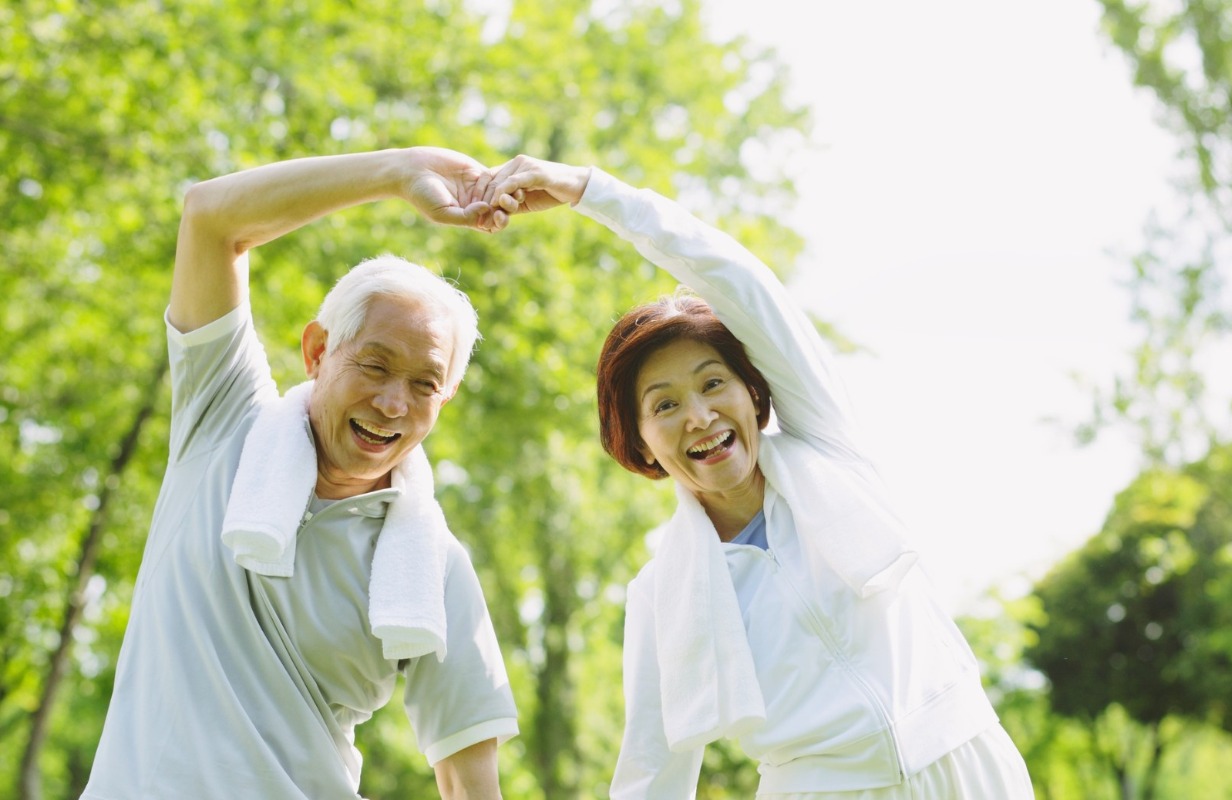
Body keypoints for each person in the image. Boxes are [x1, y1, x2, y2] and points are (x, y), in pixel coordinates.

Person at [480, 155, 1035, 799]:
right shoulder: (663, 593)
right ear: (638, 440)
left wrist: (592, 192)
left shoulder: (831, 453)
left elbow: (740, 284)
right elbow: (651, 773)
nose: (700, 417)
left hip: (969, 770)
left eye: (713, 384)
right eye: (665, 405)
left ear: (753, 391)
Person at [83, 147, 523, 800]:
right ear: (318, 350)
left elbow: (469, 778)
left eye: (424, 384)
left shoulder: (434, 566)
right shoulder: (225, 420)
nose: (394, 403)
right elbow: (210, 217)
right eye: (374, 366)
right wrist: (402, 174)